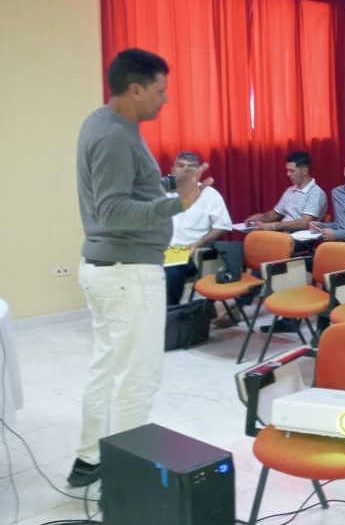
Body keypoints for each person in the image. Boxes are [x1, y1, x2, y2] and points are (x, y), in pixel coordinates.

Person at [71, 48, 208, 487]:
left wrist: (170, 184)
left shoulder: (105, 123)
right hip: (128, 272)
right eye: (159, 90)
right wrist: (177, 202)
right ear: (135, 88)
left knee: (108, 368)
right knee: (137, 378)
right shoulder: (114, 136)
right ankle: (127, 474)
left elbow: (129, 186)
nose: (165, 100)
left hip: (110, 268)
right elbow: (113, 210)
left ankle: (92, 459)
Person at [164, 151, 231, 305]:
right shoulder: (162, 192)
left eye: (191, 167)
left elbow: (222, 227)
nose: (186, 170)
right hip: (161, 250)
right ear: (173, 169)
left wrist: (197, 244)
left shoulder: (210, 195)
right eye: (181, 166)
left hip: (191, 253)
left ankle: (171, 314)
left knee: (170, 272)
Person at [245, 150, 327, 232]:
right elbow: (274, 214)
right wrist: (258, 218)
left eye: (292, 171)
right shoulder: (290, 190)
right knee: (254, 236)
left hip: (301, 239)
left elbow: (305, 223)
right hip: (283, 234)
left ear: (305, 171)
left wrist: (273, 226)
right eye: (287, 170)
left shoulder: (316, 193)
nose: (288, 174)